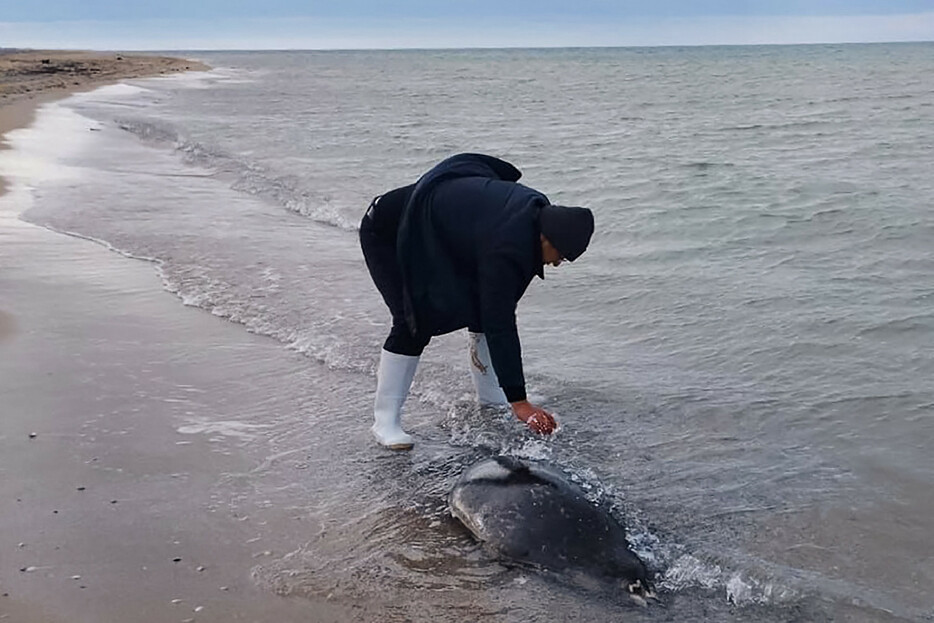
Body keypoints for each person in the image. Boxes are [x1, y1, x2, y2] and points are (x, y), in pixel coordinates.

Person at [360, 153, 594, 450]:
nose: (558, 264)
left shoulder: (535, 213)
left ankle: (491, 400)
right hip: (388, 231)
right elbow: (501, 322)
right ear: (547, 239)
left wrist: (512, 397)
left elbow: (495, 310)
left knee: (482, 309)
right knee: (412, 322)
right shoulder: (509, 244)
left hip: (440, 232)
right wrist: (520, 402)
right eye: (560, 256)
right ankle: (385, 422)